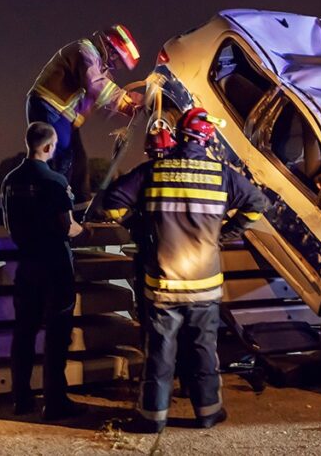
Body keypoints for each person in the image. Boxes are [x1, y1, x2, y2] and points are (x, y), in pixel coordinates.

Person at [102, 107, 268, 433]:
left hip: (163, 284)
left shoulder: (153, 170)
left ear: (179, 136)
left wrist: (141, 227)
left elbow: (112, 204)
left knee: (160, 351)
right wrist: (224, 234)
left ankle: (153, 418)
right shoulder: (222, 175)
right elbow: (258, 205)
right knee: (204, 349)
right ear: (208, 139)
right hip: (205, 285)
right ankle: (208, 413)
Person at [1, 122, 87, 420]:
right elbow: (67, 226)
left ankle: (21, 398)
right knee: (57, 333)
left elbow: (9, 224)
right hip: (55, 266)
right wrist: (83, 229)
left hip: (26, 264)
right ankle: (54, 401)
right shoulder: (55, 180)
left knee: (24, 332)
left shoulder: (10, 180)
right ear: (49, 147)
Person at [26, 24, 144, 203]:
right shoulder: (85, 51)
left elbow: (102, 98)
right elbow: (96, 85)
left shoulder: (99, 66)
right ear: (110, 49)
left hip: (63, 115)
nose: (117, 65)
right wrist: (125, 101)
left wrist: (128, 106)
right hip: (48, 105)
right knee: (62, 157)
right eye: (119, 60)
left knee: (79, 162)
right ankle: (54, 204)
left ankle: (80, 203)